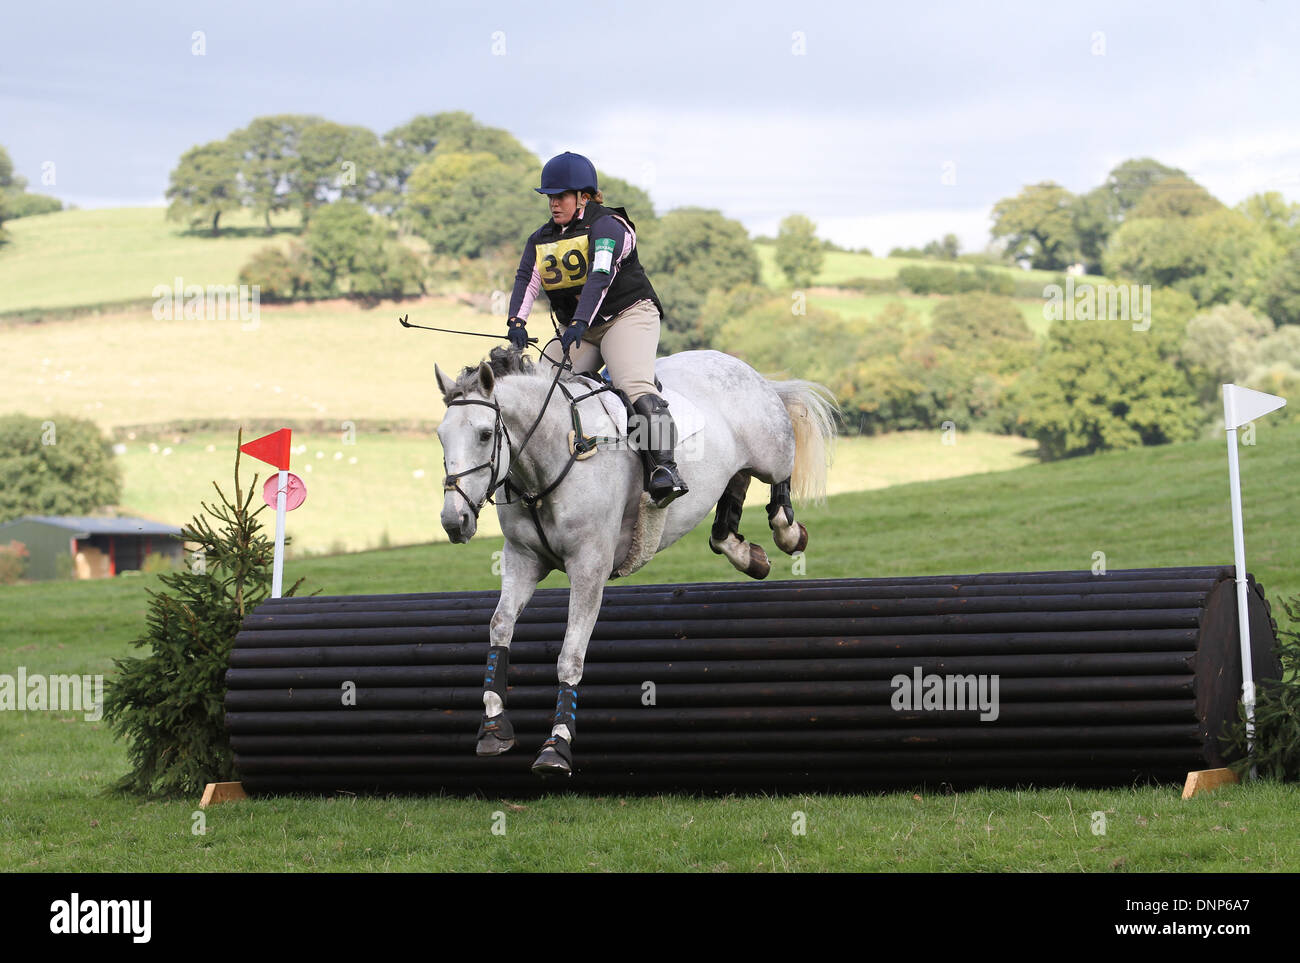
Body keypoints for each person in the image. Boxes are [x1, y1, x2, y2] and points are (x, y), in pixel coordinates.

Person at [504, 151, 688, 508]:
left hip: (627, 315)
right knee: (544, 384)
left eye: (561, 197)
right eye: (549, 197)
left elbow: (600, 277)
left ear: (584, 197)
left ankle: (665, 469)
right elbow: (527, 278)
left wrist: (578, 322)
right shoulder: (541, 238)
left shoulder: (609, 227)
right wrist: (516, 322)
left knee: (633, 383)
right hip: (583, 329)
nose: (553, 204)